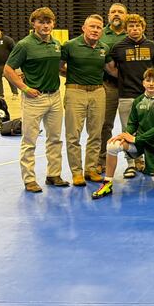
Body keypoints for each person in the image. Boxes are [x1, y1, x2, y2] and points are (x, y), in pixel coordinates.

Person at [3, 7, 68, 193]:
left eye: (48, 22)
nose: (45, 26)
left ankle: (53, 175)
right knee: (30, 140)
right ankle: (29, 179)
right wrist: (24, 88)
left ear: (53, 24)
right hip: (34, 98)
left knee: (55, 139)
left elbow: (59, 69)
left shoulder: (56, 44)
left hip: (55, 96)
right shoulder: (24, 45)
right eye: (41, 22)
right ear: (33, 24)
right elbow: (8, 69)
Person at [93, 67, 154, 199]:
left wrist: (136, 139)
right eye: (148, 80)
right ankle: (107, 183)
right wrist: (124, 134)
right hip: (140, 143)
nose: (151, 83)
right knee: (112, 146)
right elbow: (132, 123)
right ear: (143, 83)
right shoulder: (138, 101)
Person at [60, 14, 111, 187]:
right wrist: (75, 76)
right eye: (92, 27)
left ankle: (91, 169)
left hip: (98, 91)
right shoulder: (70, 46)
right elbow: (59, 67)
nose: (95, 30)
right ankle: (76, 172)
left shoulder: (104, 48)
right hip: (75, 92)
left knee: (96, 133)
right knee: (73, 134)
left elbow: (111, 69)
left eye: (99, 27)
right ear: (84, 28)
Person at [106, 13, 154, 179]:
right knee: (128, 129)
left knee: (148, 129)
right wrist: (123, 78)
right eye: (131, 27)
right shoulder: (119, 47)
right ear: (126, 29)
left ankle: (148, 162)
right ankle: (131, 164)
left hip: (148, 95)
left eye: (137, 26)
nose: (135, 29)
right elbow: (111, 67)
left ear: (143, 28)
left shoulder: (151, 46)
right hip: (126, 95)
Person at [98, 3, 128, 175]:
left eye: (120, 12)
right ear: (108, 15)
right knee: (104, 124)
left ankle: (135, 160)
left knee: (132, 125)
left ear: (126, 15)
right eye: (113, 12)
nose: (117, 15)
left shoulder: (133, 32)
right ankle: (102, 159)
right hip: (107, 86)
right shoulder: (101, 33)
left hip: (129, 88)